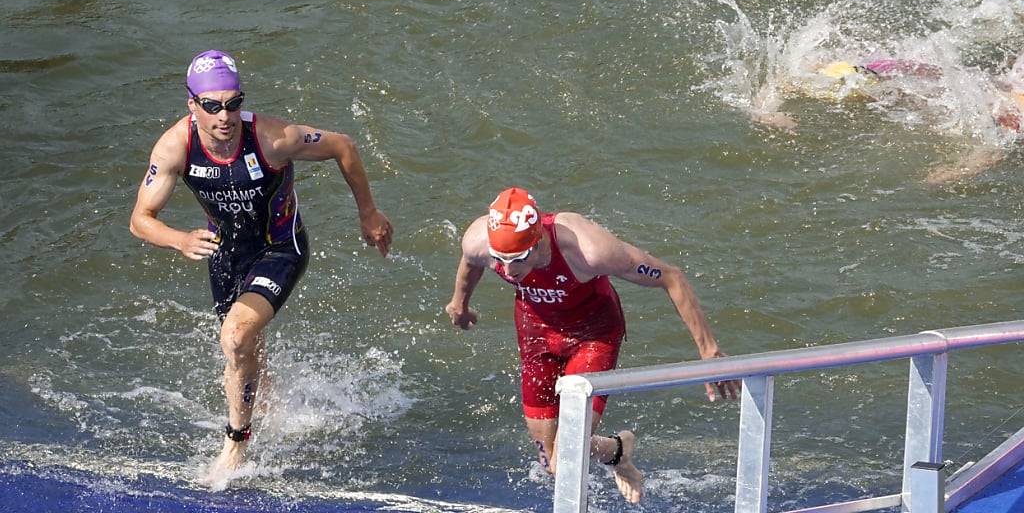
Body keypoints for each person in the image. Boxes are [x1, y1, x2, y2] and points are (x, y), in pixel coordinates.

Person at [129, 50, 393, 485]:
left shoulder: (272, 137)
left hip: (280, 248)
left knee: (234, 337)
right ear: (192, 105)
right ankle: (270, 410)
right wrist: (179, 240)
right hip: (223, 256)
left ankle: (236, 441)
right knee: (245, 349)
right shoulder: (176, 145)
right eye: (212, 105)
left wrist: (368, 212)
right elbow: (140, 220)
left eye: (233, 102)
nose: (225, 115)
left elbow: (343, 145)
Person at [445, 187, 739, 504]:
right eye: (499, 259)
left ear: (537, 240)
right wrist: (459, 305)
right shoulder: (479, 242)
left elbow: (671, 277)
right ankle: (617, 451)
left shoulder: (589, 250)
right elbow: (470, 263)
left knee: (566, 456)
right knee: (550, 464)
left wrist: (708, 350)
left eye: (516, 259)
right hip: (536, 332)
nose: (507, 269)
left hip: (594, 334)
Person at [750, 55, 1022, 183]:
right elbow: (995, 148)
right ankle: (762, 109)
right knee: (840, 80)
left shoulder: (1007, 98)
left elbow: (995, 147)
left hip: (908, 77)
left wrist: (956, 172)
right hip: (897, 76)